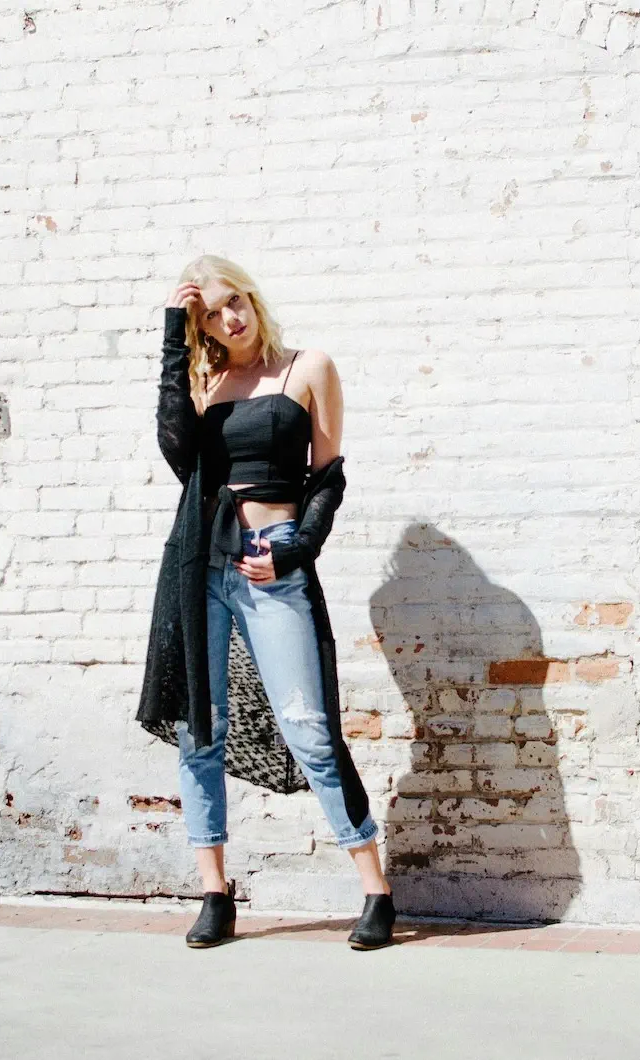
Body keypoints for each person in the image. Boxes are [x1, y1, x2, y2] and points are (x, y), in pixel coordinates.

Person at [136, 255, 395, 950]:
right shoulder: (208, 382)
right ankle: (215, 893)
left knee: (309, 727)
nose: (231, 317)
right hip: (202, 562)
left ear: (252, 298)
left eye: (236, 301)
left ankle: (375, 888)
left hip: (271, 563)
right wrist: (171, 335)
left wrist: (297, 547)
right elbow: (176, 456)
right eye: (212, 313)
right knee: (200, 730)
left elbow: (328, 477)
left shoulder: (308, 367)